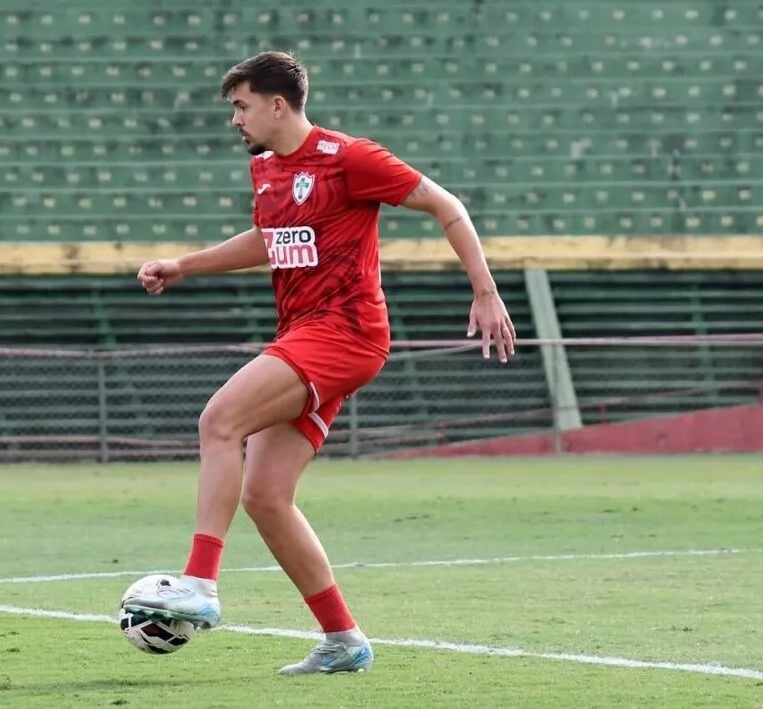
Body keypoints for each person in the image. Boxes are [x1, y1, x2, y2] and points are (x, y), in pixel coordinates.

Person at [126, 51, 516, 675]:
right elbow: (268, 239)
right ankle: (343, 640)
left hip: (346, 333)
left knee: (219, 420)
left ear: (277, 105)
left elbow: (449, 206)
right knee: (265, 495)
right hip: (308, 334)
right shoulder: (267, 172)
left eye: (241, 105)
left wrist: (486, 291)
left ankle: (199, 583)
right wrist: (184, 265)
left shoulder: (350, 158)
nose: (236, 118)